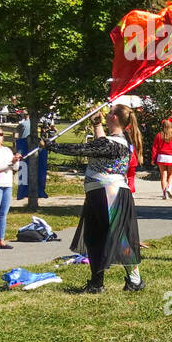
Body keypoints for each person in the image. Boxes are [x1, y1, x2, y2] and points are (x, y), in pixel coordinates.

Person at [43, 105, 144, 293]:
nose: (106, 114)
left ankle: (135, 280)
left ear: (114, 117)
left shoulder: (117, 143)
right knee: (93, 238)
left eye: (109, 112)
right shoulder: (111, 142)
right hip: (98, 192)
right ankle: (96, 284)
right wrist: (97, 124)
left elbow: (85, 148)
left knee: (118, 237)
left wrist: (54, 146)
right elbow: (100, 143)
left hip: (110, 192)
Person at [151, 119, 172, 200]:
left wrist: (153, 159)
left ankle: (164, 194)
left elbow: (155, 148)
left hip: (161, 157)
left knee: (163, 176)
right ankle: (169, 188)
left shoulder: (159, 135)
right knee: (171, 174)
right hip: (171, 157)